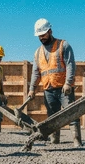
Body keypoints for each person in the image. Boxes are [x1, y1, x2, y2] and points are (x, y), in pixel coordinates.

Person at [28, 18, 82, 147]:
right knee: (52, 117)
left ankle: (77, 141)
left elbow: (70, 65)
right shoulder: (37, 52)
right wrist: (32, 89)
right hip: (48, 90)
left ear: (50, 31)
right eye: (39, 36)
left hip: (64, 88)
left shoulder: (63, 45)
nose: (41, 38)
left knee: (72, 114)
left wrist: (68, 83)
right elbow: (36, 73)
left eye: (43, 35)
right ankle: (54, 140)